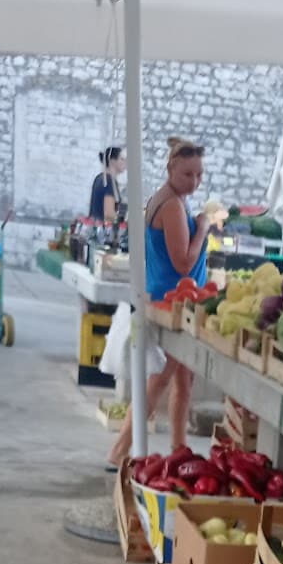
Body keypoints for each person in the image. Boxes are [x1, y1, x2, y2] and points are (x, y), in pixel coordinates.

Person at [108, 137, 211, 467]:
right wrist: (204, 229)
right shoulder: (171, 205)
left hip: (172, 299)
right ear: (170, 168)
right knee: (160, 379)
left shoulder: (167, 198)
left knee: (184, 379)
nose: (194, 182)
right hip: (171, 301)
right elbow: (182, 262)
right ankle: (118, 451)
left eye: (199, 175)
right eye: (187, 175)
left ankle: (179, 448)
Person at [88, 146, 126, 223]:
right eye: (122, 159)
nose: (125, 163)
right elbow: (108, 215)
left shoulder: (99, 178)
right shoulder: (109, 181)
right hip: (104, 231)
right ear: (112, 161)